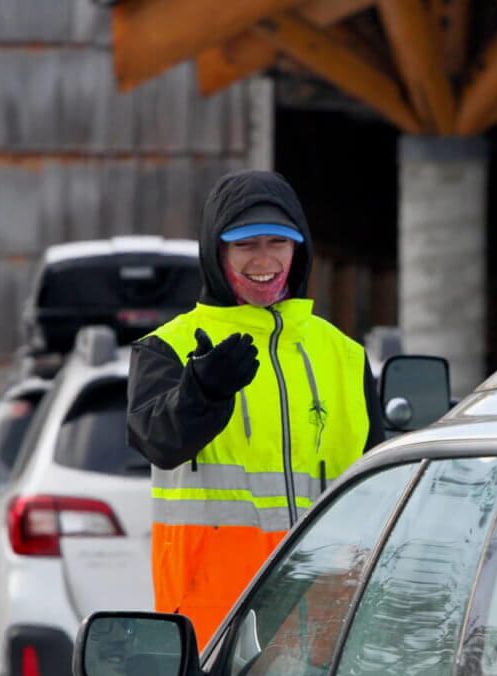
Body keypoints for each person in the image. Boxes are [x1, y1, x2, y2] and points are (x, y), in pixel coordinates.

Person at [127, 169, 385, 647]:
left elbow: (383, 486)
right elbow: (157, 440)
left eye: (277, 242)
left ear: (298, 250)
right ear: (216, 251)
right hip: (216, 635)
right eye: (245, 245)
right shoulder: (169, 349)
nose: (263, 259)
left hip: (333, 637)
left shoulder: (345, 356)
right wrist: (201, 392)